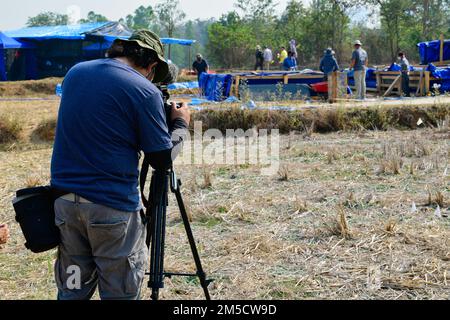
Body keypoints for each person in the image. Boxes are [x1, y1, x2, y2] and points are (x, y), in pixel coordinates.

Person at [50, 30, 191, 300]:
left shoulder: (76, 73)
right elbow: (160, 158)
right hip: (111, 212)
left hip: (65, 208)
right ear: (151, 66)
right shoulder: (143, 90)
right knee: (120, 292)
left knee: (72, 289)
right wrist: (181, 122)